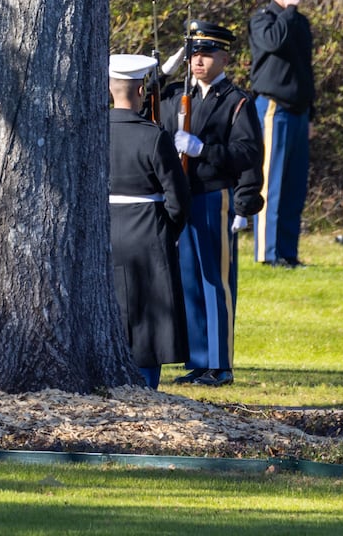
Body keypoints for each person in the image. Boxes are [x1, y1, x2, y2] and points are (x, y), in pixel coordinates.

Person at [157, 20, 264, 387]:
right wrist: (167, 67)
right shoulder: (175, 94)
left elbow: (248, 153)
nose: (198, 61)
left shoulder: (236, 101)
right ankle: (200, 361)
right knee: (188, 280)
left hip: (214, 196)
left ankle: (220, 364)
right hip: (182, 197)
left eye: (206, 54)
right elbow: (140, 96)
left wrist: (206, 152)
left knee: (214, 281)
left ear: (223, 57)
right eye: (193, 54)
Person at [106, 53, 190, 389]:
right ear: (142, 90)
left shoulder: (91, 133)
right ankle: (145, 387)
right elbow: (179, 200)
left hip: (106, 231)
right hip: (148, 233)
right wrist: (167, 229)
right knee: (148, 324)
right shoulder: (154, 136)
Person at [248, 0, 315, 267]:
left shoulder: (300, 22)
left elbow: (306, 69)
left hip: (298, 112)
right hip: (274, 108)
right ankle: (268, 253)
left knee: (293, 187)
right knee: (270, 183)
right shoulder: (264, 19)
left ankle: (288, 252)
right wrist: (288, 10)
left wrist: (311, 114)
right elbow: (274, 43)